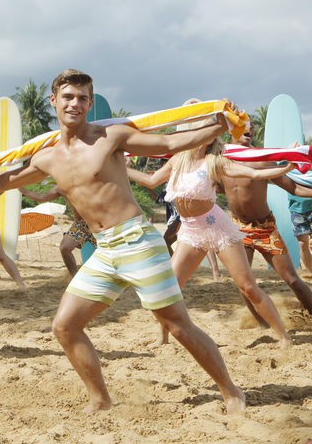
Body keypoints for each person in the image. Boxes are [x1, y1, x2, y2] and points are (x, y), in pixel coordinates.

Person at [0, 69, 246, 414]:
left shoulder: (110, 136)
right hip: (104, 249)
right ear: (53, 101)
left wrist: (222, 123)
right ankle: (101, 401)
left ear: (89, 103)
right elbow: (3, 182)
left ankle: (232, 392)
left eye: (83, 98)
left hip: (138, 242)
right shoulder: (47, 156)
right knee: (65, 327)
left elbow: (171, 144)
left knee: (178, 327)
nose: (75, 103)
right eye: (68, 97)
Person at [127, 133, 296, 348]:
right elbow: (151, 180)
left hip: (217, 228)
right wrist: (122, 168)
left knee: (248, 287)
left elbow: (253, 173)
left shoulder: (215, 161)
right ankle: (163, 337)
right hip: (190, 231)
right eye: (200, 128)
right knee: (167, 288)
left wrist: (286, 166)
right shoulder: (178, 160)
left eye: (209, 130)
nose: (204, 132)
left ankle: (283, 336)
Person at [219, 123, 312, 323]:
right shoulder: (219, 161)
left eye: (252, 128)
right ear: (230, 129)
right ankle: (263, 325)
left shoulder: (262, 161)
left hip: (265, 228)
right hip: (238, 227)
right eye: (243, 126)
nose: (250, 131)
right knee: (243, 284)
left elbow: (294, 188)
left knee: (292, 279)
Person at [19, 185, 95, 276]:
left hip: (99, 221)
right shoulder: (61, 186)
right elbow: (41, 197)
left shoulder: (89, 181)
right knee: (65, 247)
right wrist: (22, 189)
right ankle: (74, 276)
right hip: (81, 224)